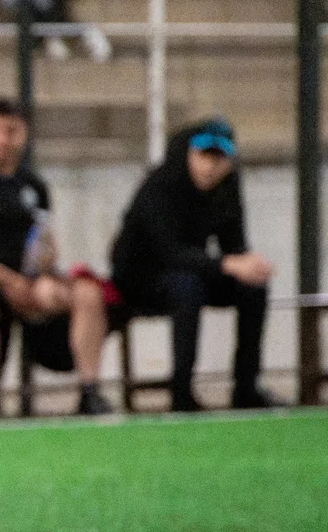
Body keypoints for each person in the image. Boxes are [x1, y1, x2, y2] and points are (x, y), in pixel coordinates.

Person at [0, 99, 112, 417]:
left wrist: (45, 264)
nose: (2, 139)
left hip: (24, 281)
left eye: (11, 131)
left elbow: (43, 239)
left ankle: (89, 391)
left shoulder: (33, 185)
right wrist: (8, 279)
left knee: (86, 293)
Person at [108, 118, 278, 412]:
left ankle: (246, 387)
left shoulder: (227, 186)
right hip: (141, 278)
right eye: (203, 156)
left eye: (219, 158)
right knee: (187, 289)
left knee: (252, 286)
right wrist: (228, 264)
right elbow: (168, 252)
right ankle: (181, 391)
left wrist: (247, 264)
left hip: (191, 271)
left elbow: (233, 244)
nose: (210, 166)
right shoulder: (160, 185)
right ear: (188, 153)